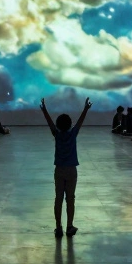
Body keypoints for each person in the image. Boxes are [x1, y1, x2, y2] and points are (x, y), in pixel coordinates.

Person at [40, 97, 91, 238]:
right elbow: (80, 122)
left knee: (58, 198)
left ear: (58, 125)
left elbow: (49, 123)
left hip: (59, 170)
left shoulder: (56, 134)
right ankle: (69, 226)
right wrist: (85, 108)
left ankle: (58, 227)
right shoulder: (73, 134)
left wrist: (44, 110)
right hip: (71, 170)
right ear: (69, 125)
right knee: (70, 198)